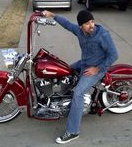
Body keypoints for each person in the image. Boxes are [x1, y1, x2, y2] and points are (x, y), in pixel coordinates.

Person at [43, 10, 118, 144]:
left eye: (92, 21)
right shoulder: (78, 31)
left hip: (97, 68)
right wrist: (52, 15)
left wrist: (97, 68)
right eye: (87, 23)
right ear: (80, 26)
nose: (91, 25)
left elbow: (113, 55)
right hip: (84, 63)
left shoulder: (103, 35)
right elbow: (66, 24)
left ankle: (73, 132)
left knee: (78, 94)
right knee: (62, 70)